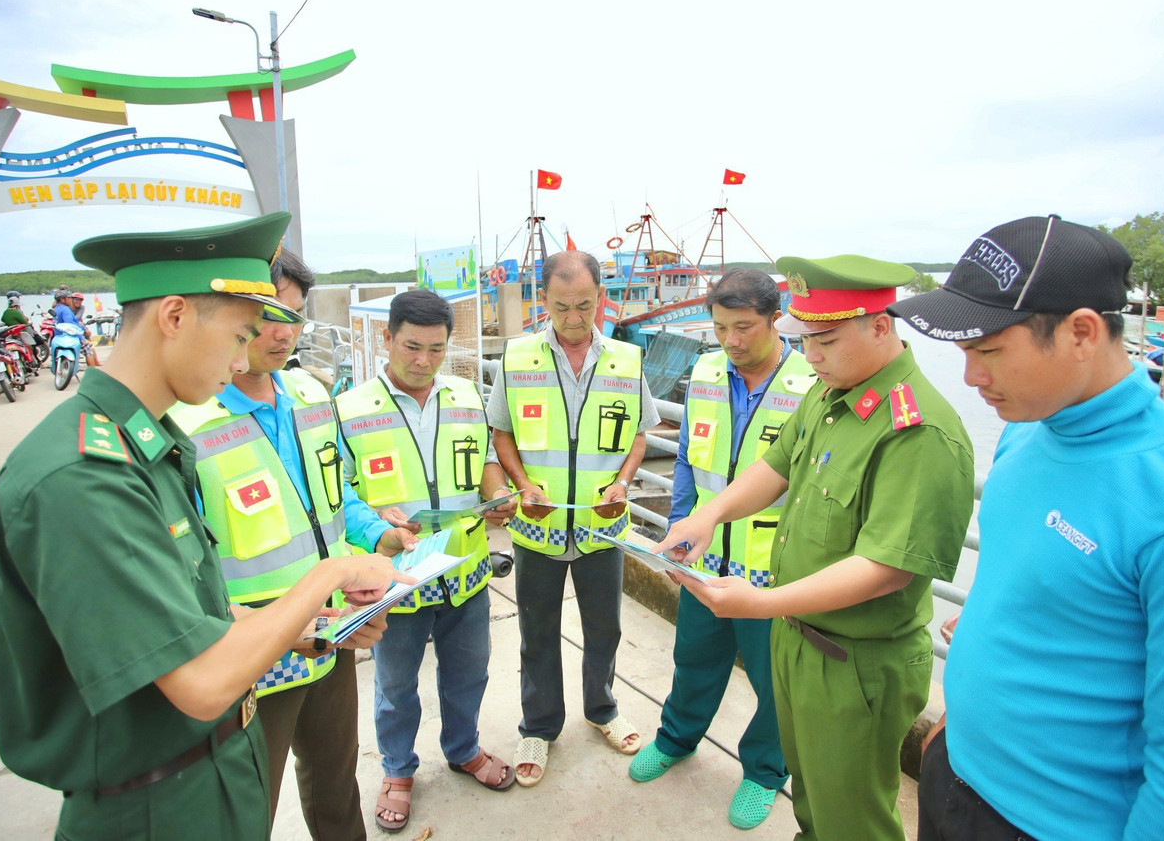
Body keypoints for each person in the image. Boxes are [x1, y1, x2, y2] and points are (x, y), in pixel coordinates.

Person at [0, 212, 411, 841]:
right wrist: (335, 572)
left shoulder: (142, 449)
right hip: (157, 803)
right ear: (176, 317)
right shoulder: (83, 476)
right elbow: (203, 682)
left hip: (201, 774)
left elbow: (193, 612)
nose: (247, 355)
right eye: (242, 333)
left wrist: (314, 622)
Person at [889, 215, 1164, 841]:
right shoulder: (1029, 428)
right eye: (963, 353)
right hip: (957, 774)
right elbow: (1032, 582)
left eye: (987, 351)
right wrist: (958, 727)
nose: (970, 378)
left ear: (1082, 333)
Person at [655, 254, 975, 841]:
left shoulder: (917, 429)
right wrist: (707, 516)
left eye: (825, 339)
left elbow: (887, 569)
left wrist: (758, 603)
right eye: (806, 339)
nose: (812, 355)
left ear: (880, 326)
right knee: (814, 804)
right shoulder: (832, 394)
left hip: (856, 661)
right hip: (801, 637)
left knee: (851, 818)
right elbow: (775, 467)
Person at [167, 247, 413, 840]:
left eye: (295, 317)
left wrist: (378, 531)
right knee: (249, 796)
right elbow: (181, 569)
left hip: (330, 631)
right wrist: (257, 626)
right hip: (249, 649)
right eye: (268, 314)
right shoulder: (186, 424)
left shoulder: (308, 395)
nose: (282, 334)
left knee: (335, 776)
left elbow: (336, 493)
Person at [629, 269, 814, 830]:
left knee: (774, 684)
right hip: (704, 560)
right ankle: (677, 739)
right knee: (694, 662)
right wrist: (680, 523)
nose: (732, 341)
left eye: (744, 327)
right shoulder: (707, 370)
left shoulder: (812, 384)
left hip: (772, 572)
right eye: (720, 328)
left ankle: (763, 771)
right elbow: (688, 457)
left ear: (775, 318)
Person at [336, 288, 520, 832]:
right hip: (395, 580)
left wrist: (499, 496)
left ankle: (463, 749)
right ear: (386, 339)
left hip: (464, 573)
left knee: (469, 674)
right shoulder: (347, 410)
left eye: (436, 350)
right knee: (395, 688)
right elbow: (335, 493)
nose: (423, 361)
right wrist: (375, 526)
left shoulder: (465, 394)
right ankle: (397, 770)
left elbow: (487, 457)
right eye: (411, 347)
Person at [486, 250, 661, 787]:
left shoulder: (625, 361)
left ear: (601, 298)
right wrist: (521, 485)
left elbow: (640, 432)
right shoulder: (517, 358)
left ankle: (603, 709)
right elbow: (502, 431)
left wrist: (624, 482)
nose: (573, 318)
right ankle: (538, 726)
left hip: (601, 526)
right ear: (544, 301)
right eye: (561, 306)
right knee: (537, 632)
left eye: (585, 305)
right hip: (538, 529)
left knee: (603, 627)